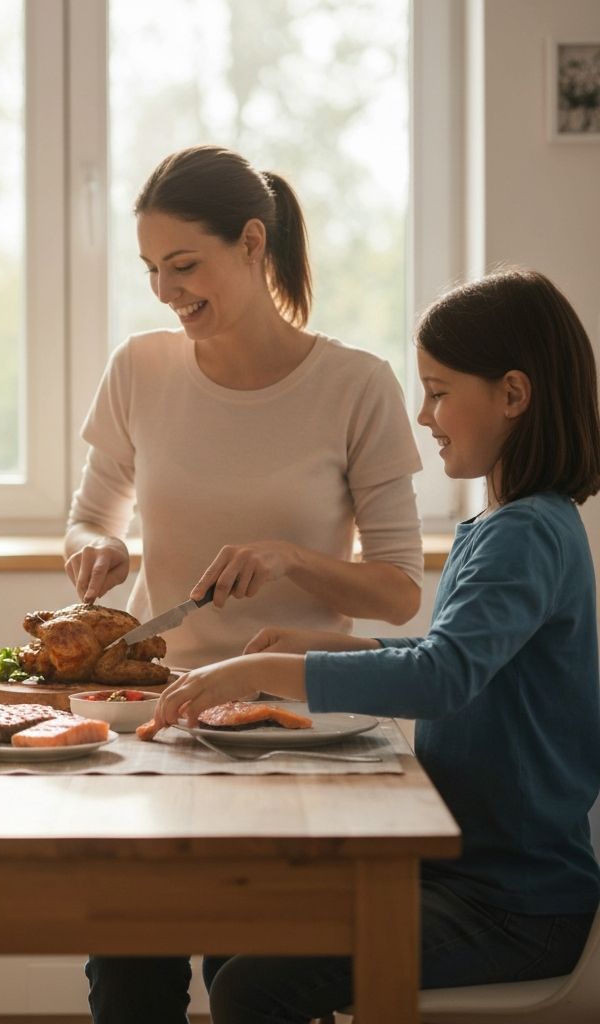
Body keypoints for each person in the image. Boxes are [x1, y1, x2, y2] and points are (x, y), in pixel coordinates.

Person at [150, 268, 600, 1024]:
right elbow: (458, 659)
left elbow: (441, 678)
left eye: (439, 391)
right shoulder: (514, 526)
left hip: (516, 906)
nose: (424, 415)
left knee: (252, 985)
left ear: (513, 395)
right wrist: (320, 648)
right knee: (237, 948)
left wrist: (265, 668)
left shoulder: (525, 534)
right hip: (469, 878)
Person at [69, 145, 424, 1023]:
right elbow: (88, 518)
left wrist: (292, 558)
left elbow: (398, 592)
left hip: (299, 730)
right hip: (159, 719)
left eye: (184, 265)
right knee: (128, 979)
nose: (165, 289)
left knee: (250, 981)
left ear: (253, 243)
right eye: (151, 269)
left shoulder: (357, 385)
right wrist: (98, 550)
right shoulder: (140, 368)